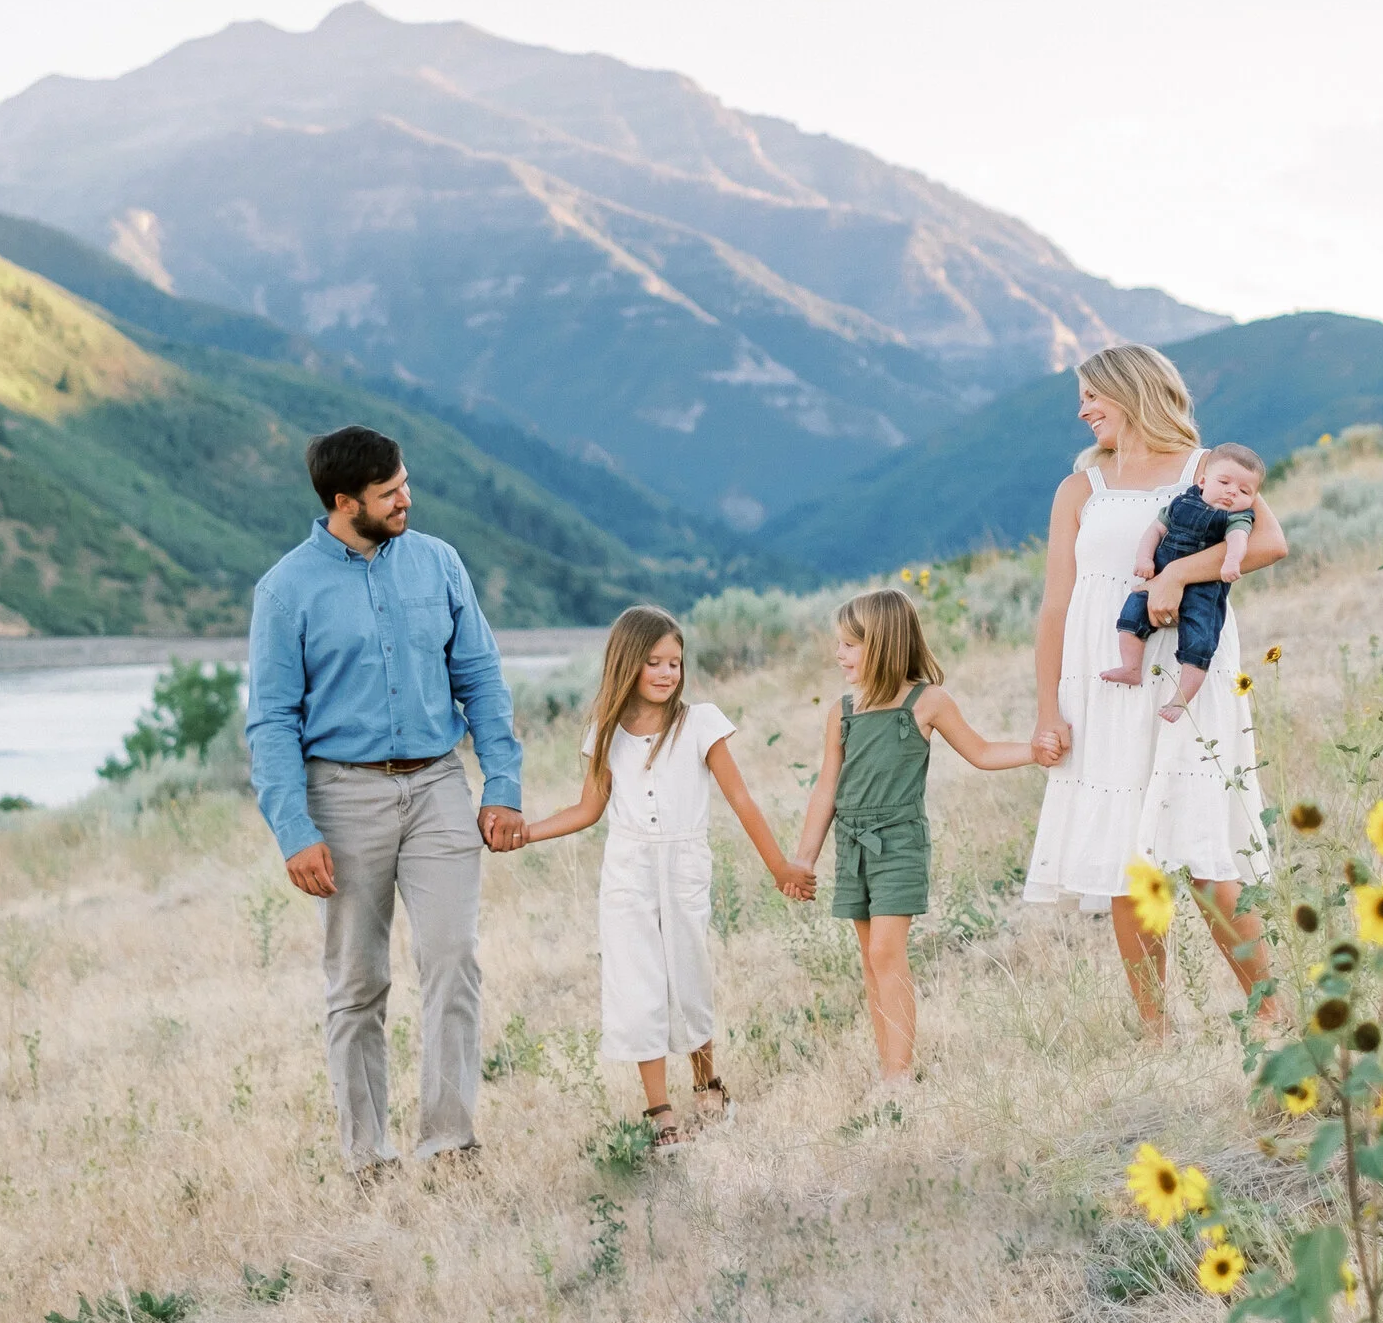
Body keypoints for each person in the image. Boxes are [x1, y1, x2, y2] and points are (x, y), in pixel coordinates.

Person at [244, 424, 524, 1173]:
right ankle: (367, 1157)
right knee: (358, 981)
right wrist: (293, 828)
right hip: (340, 795)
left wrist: (502, 784)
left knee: (454, 957)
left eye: (404, 481)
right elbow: (270, 719)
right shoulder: (285, 590)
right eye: (389, 491)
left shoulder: (439, 563)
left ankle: (450, 1142)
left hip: (437, 783)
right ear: (344, 502)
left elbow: (482, 679)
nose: (407, 498)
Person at [1022, 346, 1286, 1034]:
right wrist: (1048, 707)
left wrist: (1176, 575)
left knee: (1200, 845)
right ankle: (1155, 1029)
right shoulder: (1080, 489)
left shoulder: (1207, 467)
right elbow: (1056, 603)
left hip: (1186, 678)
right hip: (1104, 682)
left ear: (1130, 391)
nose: (1081, 411)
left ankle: (1271, 1010)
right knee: (1123, 857)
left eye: (1091, 396)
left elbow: (1267, 542)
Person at [521, 605, 815, 1150]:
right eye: (653, 662)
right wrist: (526, 832)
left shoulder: (700, 722)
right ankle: (660, 1112)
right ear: (626, 663)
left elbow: (742, 800)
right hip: (628, 872)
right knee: (639, 987)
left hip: (683, 865)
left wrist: (780, 867)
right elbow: (588, 810)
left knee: (689, 975)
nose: (666, 673)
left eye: (675, 663)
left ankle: (708, 1081)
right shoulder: (604, 733)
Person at [789, 589, 1038, 1083]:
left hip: (899, 842)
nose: (838, 655)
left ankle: (900, 1078)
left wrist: (1035, 749)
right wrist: (803, 860)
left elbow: (982, 752)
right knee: (869, 958)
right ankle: (890, 1071)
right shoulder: (842, 712)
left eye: (849, 645)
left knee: (886, 951)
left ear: (882, 644)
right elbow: (826, 790)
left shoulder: (928, 703)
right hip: (852, 845)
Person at [1093, 444, 1265, 715]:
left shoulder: (1237, 517)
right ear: (1203, 482)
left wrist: (1232, 562)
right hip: (1157, 576)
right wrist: (1144, 559)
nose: (1232, 492)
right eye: (1224, 482)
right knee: (1131, 614)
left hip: (1204, 591)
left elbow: (1238, 540)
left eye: (1245, 491)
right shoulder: (1181, 503)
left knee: (1199, 642)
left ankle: (1180, 698)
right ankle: (1131, 667)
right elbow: (1155, 530)